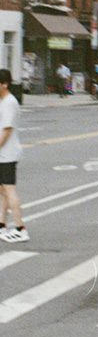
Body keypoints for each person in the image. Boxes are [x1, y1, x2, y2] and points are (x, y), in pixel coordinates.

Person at [0, 68, 28, 243]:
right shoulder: (2, 101)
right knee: (2, 191)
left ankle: (20, 228)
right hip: (2, 154)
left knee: (9, 190)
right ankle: (2, 225)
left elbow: (7, 130)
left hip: (7, 154)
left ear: (5, 84)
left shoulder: (10, 102)